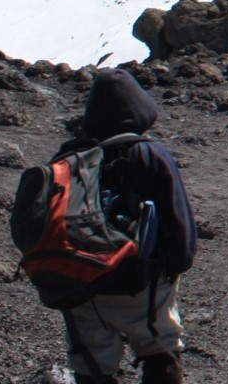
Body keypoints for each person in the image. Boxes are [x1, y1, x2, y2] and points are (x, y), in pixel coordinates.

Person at [53, 70, 199, 384]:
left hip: (80, 283)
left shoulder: (68, 157)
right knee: (159, 346)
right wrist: (174, 265)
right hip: (139, 278)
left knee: (91, 360)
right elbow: (179, 225)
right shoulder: (150, 155)